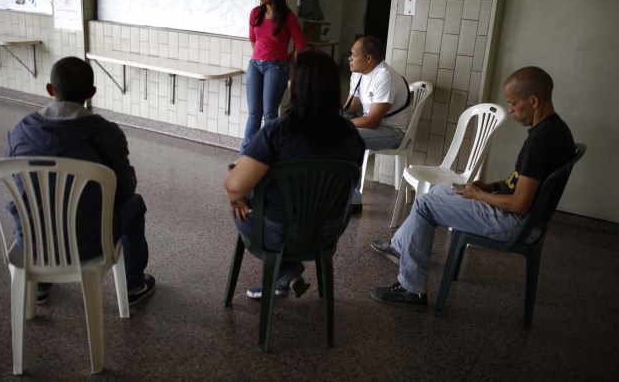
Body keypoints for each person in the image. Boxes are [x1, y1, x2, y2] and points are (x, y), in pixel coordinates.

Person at [369, 66, 575, 312]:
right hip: (519, 216)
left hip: (516, 223)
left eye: (512, 103)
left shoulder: (540, 142)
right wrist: (491, 186)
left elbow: (520, 204)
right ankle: (399, 247)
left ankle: (411, 290)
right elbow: (523, 180)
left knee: (424, 203)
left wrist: (479, 195)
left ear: (533, 101)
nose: (510, 110)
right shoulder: (556, 129)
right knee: (438, 192)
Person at [6, 56, 155, 306]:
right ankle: (133, 283)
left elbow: (14, 181)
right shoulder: (107, 134)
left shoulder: (20, 130)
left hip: (32, 243)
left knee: (41, 202)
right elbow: (125, 190)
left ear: (50, 89)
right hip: (89, 244)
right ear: (91, 93)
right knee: (135, 204)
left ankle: (41, 284)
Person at [225, 50, 365, 299]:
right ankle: (287, 274)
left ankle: (286, 272)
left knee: (241, 206)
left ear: (296, 86)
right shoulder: (351, 136)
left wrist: (237, 196)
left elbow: (234, 185)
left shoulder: (278, 132)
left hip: (277, 231)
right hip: (327, 232)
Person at [240, 0, 306, 154]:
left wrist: (286, 59)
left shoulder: (288, 17)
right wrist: (261, 55)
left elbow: (301, 45)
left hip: (276, 67)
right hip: (255, 65)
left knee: (269, 114)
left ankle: (271, 156)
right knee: (254, 114)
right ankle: (245, 156)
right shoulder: (255, 13)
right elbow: (253, 40)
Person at [345, 36, 412, 214]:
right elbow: (351, 109)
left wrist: (340, 125)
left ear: (368, 58)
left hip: (394, 132)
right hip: (373, 127)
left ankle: (353, 201)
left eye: (353, 54)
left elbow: (373, 121)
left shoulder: (384, 76)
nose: (349, 58)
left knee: (350, 137)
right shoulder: (358, 74)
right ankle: (337, 192)